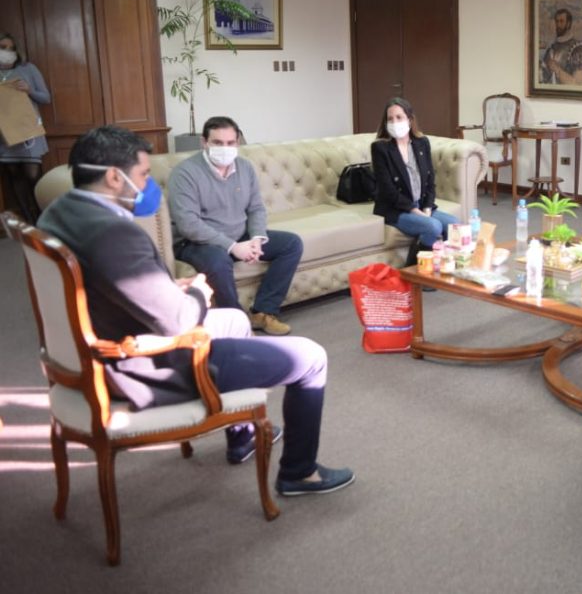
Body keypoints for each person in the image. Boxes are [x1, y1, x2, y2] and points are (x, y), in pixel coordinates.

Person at [37, 125, 353, 496]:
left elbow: (110, 284)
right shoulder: (114, 233)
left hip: (96, 349)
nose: (147, 185)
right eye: (143, 175)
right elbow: (180, 320)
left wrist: (167, 289)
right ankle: (299, 473)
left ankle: (242, 436)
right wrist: (199, 293)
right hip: (144, 366)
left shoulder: (59, 213)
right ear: (113, 177)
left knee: (235, 319)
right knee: (311, 357)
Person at [168, 116, 302, 336]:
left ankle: (263, 312)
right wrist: (232, 247)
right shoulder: (185, 173)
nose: (225, 148)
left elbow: (256, 208)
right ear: (204, 142)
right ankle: (238, 325)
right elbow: (188, 224)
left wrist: (257, 238)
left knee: (291, 244)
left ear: (237, 142)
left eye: (230, 143)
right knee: (218, 261)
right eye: (217, 143)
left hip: (238, 235)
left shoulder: (245, 167)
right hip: (195, 242)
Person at [371, 97, 458, 263]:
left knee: (454, 225)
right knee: (433, 226)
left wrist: (427, 208)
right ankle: (415, 270)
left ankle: (445, 265)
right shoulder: (380, 148)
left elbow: (430, 180)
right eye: (390, 119)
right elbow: (388, 191)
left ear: (410, 120)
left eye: (399, 117)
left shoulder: (421, 143)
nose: (394, 122)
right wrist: (416, 212)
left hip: (421, 205)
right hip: (396, 209)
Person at [0, 31, 51, 224]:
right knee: (15, 176)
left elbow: (46, 98)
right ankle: (29, 221)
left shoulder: (28, 69)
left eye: (11, 48)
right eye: (3, 47)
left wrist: (29, 90)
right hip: (5, 135)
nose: (7, 52)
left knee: (33, 175)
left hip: (29, 132)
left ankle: (43, 219)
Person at [539, 8, 582, 86]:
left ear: (568, 24)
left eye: (561, 21)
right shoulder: (551, 49)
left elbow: (578, 84)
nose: (558, 25)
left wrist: (557, 69)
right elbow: (542, 79)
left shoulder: (578, 49)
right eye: (557, 21)